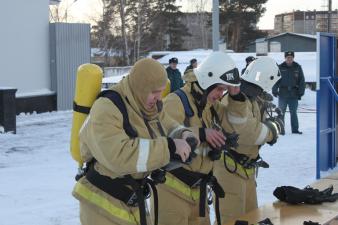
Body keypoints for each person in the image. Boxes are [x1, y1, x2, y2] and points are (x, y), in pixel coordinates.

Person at [72, 58, 198, 225]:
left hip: (131, 199)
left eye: (161, 91)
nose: (159, 97)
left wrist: (183, 134)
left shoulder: (144, 103)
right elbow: (119, 156)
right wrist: (169, 146)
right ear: (141, 88)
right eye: (154, 92)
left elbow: (166, 125)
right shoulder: (106, 108)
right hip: (101, 203)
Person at [157, 52, 249, 225]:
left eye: (224, 90)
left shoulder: (211, 106)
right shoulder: (176, 101)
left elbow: (236, 124)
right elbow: (161, 134)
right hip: (172, 191)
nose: (221, 94)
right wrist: (201, 133)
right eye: (220, 88)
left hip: (197, 191)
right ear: (207, 81)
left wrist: (235, 96)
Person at [214, 56, 284, 224]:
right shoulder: (235, 99)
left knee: (251, 217)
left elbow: (254, 125)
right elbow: (247, 133)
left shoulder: (250, 98)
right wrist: (273, 130)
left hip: (245, 169)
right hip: (229, 170)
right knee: (231, 220)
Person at [272, 51, 305, 134]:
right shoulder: (280, 67)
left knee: (293, 113)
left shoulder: (297, 67)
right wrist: (274, 90)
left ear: (293, 58)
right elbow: (276, 80)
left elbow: (302, 81)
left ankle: (295, 130)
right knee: (281, 113)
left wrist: (301, 92)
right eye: (287, 57)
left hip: (294, 94)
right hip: (283, 93)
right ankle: (281, 130)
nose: (289, 59)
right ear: (285, 58)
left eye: (291, 57)